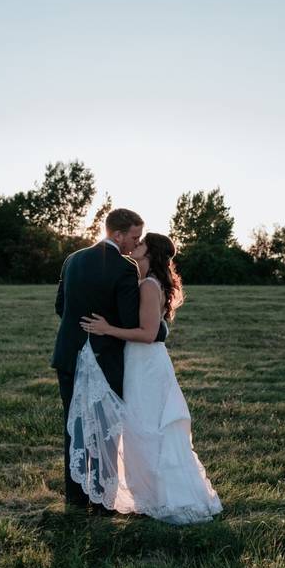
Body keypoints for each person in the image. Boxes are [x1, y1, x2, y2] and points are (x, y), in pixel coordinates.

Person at [69, 232, 222, 525]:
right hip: (140, 363)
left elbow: (149, 334)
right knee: (141, 426)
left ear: (150, 252)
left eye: (140, 244)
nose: (135, 246)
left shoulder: (150, 286)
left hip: (147, 365)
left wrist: (107, 329)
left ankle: (168, 497)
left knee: (151, 427)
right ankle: (150, 494)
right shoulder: (146, 282)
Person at [51, 208, 167, 512]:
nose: (135, 243)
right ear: (118, 234)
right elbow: (131, 320)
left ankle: (75, 500)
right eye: (134, 236)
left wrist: (82, 326)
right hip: (105, 358)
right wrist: (159, 326)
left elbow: (61, 307)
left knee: (73, 426)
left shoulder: (72, 259)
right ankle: (102, 501)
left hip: (69, 353)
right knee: (107, 429)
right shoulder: (125, 267)